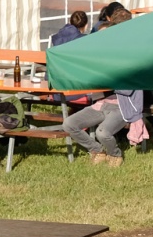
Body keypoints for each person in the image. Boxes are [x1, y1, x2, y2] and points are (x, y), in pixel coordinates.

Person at [62, 10, 145, 166]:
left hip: (123, 106)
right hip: (102, 103)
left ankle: (115, 155)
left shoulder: (130, 56)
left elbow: (127, 89)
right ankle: (97, 150)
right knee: (69, 124)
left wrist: (105, 80)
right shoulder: (104, 56)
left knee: (102, 132)